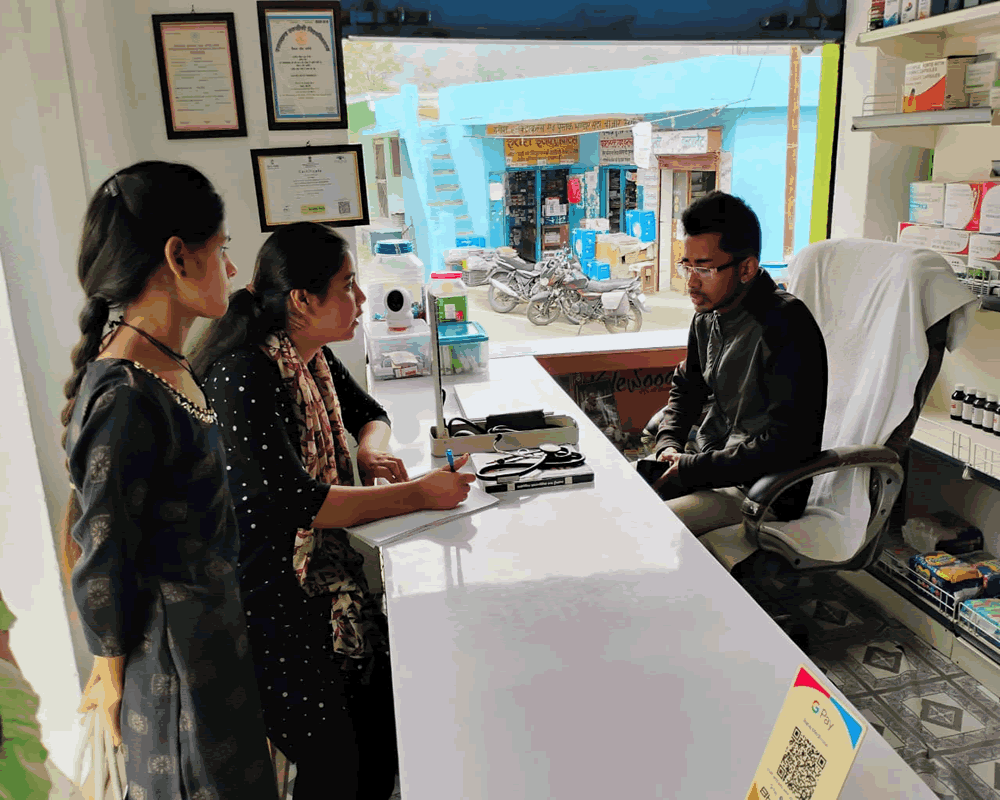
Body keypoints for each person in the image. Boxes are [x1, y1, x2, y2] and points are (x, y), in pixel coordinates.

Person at [191, 221, 475, 800]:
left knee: (377, 746)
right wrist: (420, 494)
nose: (362, 299)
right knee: (335, 763)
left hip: (321, 585)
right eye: (348, 285)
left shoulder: (310, 357)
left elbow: (370, 412)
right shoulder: (245, 371)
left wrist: (368, 450)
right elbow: (298, 501)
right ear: (302, 300)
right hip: (270, 598)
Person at [60, 162, 278, 800]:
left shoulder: (163, 366)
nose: (231, 269)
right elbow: (100, 549)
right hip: (175, 669)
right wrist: (109, 671)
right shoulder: (124, 393)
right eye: (223, 249)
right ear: (178, 257)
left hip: (212, 648)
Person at [650, 192, 828, 566]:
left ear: (746, 269)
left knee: (649, 527)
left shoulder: (786, 325)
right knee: (620, 499)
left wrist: (693, 469)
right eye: (686, 266)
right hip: (712, 464)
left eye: (705, 269)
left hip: (761, 489)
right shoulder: (708, 316)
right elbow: (688, 387)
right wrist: (669, 443)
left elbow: (788, 444)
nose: (691, 283)